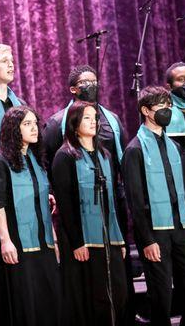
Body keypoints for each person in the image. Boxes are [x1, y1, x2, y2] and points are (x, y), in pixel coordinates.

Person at [122, 86, 185, 326]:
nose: (167, 112)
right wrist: (146, 240)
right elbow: (135, 202)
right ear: (146, 110)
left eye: (169, 107)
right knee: (161, 293)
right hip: (156, 231)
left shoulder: (174, 146)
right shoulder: (134, 150)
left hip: (181, 226)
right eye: (162, 107)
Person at [52, 101, 128, 326]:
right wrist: (77, 242)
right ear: (74, 124)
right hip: (84, 240)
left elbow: (112, 200)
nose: (94, 121)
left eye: (95, 117)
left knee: (119, 292)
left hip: (109, 236)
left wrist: (120, 238)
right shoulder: (65, 156)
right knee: (97, 297)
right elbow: (66, 204)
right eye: (87, 118)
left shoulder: (104, 154)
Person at [0, 106, 61, 326]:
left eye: (35, 123)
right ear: (13, 129)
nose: (34, 128)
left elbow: (44, 203)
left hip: (43, 241)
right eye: (26, 124)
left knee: (49, 299)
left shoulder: (36, 160)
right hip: (18, 242)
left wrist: (54, 239)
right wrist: (5, 241)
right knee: (25, 301)